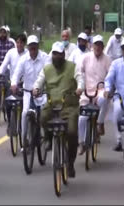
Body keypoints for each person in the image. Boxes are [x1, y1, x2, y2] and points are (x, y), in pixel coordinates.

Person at [33, 41, 84, 178]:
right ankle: (49, 137)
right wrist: (36, 89)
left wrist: (80, 88)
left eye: (59, 54)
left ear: (63, 55)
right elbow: (39, 81)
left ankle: (71, 163)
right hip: (52, 104)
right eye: (54, 54)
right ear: (52, 55)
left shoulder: (73, 67)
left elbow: (80, 79)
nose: (57, 57)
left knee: (72, 132)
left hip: (69, 106)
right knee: (43, 117)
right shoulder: (47, 69)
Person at [77, 35, 112, 155]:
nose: (98, 47)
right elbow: (79, 73)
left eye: (100, 45)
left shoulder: (107, 59)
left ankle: (99, 123)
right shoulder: (85, 57)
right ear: (92, 46)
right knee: (82, 118)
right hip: (86, 91)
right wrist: (79, 87)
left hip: (101, 90)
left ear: (103, 46)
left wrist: (108, 89)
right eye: (96, 45)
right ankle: (81, 143)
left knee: (105, 99)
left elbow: (110, 77)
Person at [11, 35, 48, 144]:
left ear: (38, 46)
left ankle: (46, 137)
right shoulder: (23, 59)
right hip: (27, 92)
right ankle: (24, 139)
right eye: (30, 46)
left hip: (42, 93)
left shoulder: (45, 57)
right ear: (28, 47)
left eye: (34, 46)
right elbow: (16, 73)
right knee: (24, 113)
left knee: (44, 114)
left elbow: (48, 73)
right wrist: (14, 84)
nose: (32, 48)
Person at [104, 37, 124, 152]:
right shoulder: (116, 64)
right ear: (122, 50)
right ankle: (119, 141)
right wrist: (107, 89)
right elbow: (109, 79)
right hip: (120, 97)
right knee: (116, 113)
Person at [0, 34, 28, 129]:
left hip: (24, 83)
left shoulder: (27, 54)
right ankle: (11, 123)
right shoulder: (11, 53)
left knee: (24, 105)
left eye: (21, 43)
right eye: (17, 42)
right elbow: (4, 64)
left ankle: (24, 126)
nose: (19, 45)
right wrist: (0, 72)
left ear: (24, 44)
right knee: (8, 103)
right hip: (13, 83)